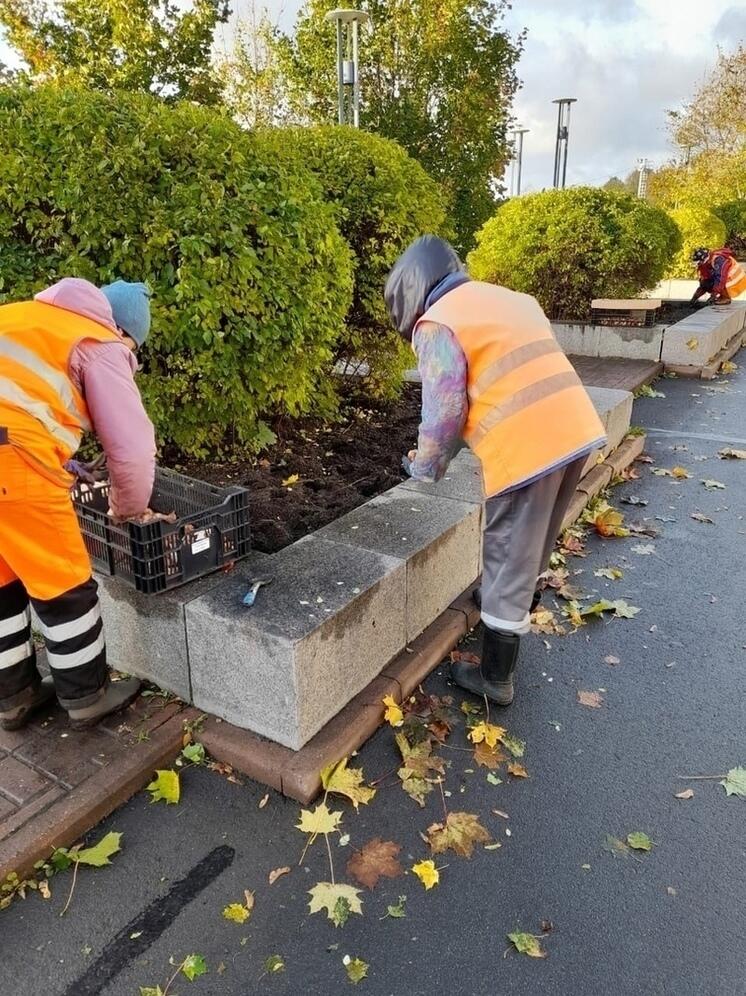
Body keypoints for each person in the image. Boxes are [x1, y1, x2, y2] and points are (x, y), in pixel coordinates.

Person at [385, 236, 606, 706]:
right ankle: (510, 600)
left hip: (526, 446)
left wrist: (424, 468)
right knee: (535, 538)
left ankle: (495, 678)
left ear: (411, 293)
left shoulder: (438, 322)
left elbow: (444, 411)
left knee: (506, 547)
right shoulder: (508, 299)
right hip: (576, 430)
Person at [0, 277, 156, 731]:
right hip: (12, 462)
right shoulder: (100, 342)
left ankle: (13, 697)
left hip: (9, 451)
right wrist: (127, 508)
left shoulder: (24, 317)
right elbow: (132, 448)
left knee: (3, 581)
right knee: (64, 582)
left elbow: (19, 401)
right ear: (122, 330)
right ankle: (88, 696)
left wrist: (60, 459)